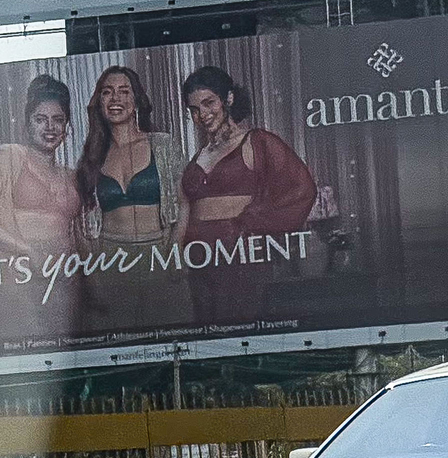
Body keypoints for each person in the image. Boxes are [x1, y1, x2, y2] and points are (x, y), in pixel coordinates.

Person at [178, 67, 318, 327]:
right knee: (206, 333)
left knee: (240, 327)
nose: (202, 114)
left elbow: (303, 189)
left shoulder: (257, 141)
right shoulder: (199, 155)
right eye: (194, 109)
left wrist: (252, 222)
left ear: (228, 98)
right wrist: (176, 259)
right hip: (198, 260)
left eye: (209, 103)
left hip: (239, 254)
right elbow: (185, 211)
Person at [73, 66, 191, 331]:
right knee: (118, 341)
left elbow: (184, 202)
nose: (115, 98)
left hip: (160, 254)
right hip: (111, 259)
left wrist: (175, 250)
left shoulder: (162, 144)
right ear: (99, 102)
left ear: (137, 100)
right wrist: (93, 275)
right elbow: (79, 223)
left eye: (124, 91)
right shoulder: (92, 157)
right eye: (107, 92)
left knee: (171, 337)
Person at [0, 75, 83, 341]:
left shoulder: (71, 175)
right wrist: (28, 251)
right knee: (26, 347)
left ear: (67, 126)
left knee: (67, 347)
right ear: (27, 123)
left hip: (66, 277)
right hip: (20, 275)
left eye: (58, 119)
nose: (50, 127)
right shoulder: (8, 157)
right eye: (41, 119)